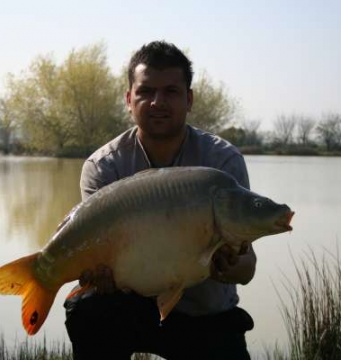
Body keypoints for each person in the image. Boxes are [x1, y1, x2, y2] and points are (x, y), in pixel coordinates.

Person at [64, 40, 256, 360]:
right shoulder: (103, 166)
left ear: (189, 99)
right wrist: (97, 275)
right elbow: (98, 260)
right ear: (129, 99)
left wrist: (227, 266)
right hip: (131, 306)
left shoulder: (222, 162)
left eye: (171, 91)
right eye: (146, 92)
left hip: (205, 316)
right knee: (87, 309)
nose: (157, 102)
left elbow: (248, 270)